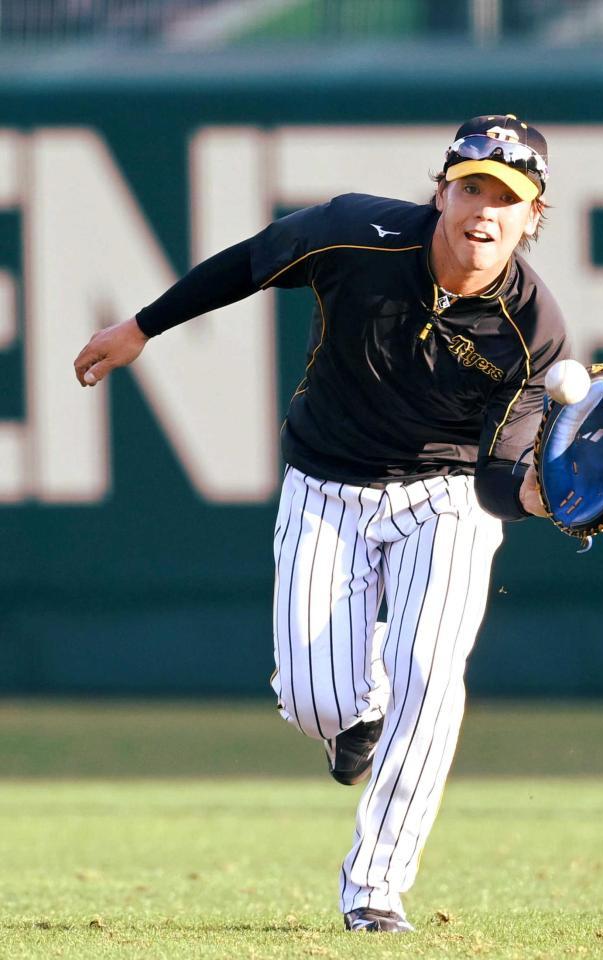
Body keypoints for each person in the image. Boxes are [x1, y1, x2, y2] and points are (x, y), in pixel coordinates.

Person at [73, 114, 571, 934]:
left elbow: (494, 477)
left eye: (506, 198)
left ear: (532, 217)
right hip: (326, 485)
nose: (484, 210)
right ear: (441, 193)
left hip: (443, 497)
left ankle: (376, 888)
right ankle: (355, 716)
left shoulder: (534, 328)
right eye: (471, 187)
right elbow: (249, 262)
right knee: (314, 701)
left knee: (428, 674)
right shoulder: (354, 234)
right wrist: (140, 327)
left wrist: (532, 497)